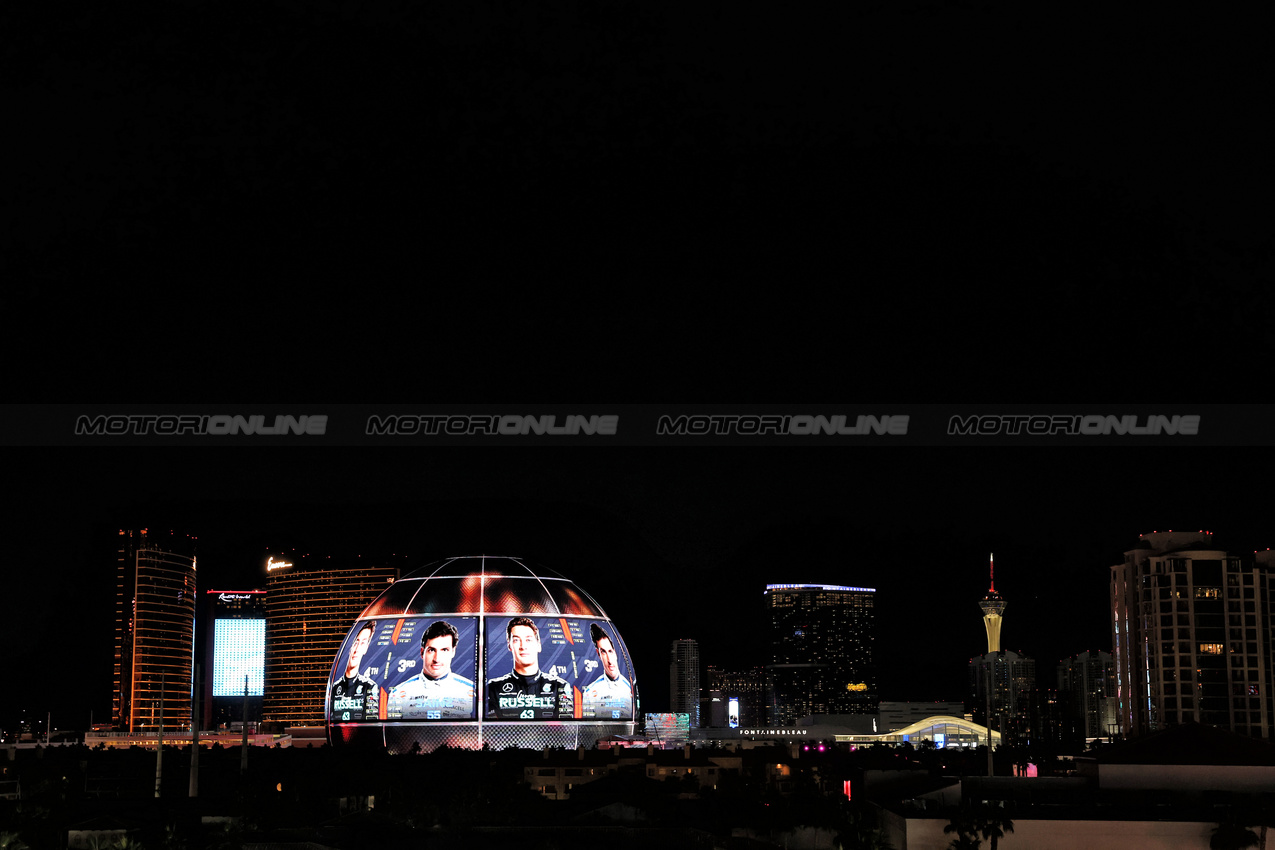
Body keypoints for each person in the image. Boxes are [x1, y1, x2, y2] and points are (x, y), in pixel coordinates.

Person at [486, 617, 573, 719]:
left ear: (538, 645)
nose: (523, 646)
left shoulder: (559, 687)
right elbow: (491, 727)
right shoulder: (492, 688)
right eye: (516, 640)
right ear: (509, 646)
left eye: (528, 640)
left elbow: (565, 727)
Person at [386, 620, 475, 719]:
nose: (437, 659)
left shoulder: (472, 692)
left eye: (444, 650)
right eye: (431, 650)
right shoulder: (399, 693)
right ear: (422, 652)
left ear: (453, 652)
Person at [581, 623, 632, 719]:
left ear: (615, 652)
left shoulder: (630, 688)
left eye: (610, 651)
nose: (609, 660)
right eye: (603, 652)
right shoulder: (590, 692)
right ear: (598, 654)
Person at [330, 622, 379, 722]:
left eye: (362, 643)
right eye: (356, 642)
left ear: (366, 648)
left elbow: (371, 724)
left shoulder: (369, 687)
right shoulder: (334, 688)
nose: (357, 649)